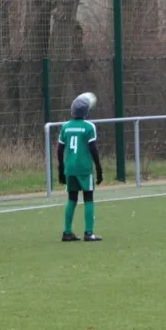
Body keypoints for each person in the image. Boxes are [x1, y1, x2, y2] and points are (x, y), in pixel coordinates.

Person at [57, 95, 103, 242]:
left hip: (69, 168)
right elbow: (93, 148)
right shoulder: (89, 127)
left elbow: (59, 149)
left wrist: (60, 169)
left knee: (72, 198)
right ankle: (89, 233)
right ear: (86, 112)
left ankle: (67, 232)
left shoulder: (65, 127)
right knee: (88, 197)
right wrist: (99, 168)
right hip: (84, 169)